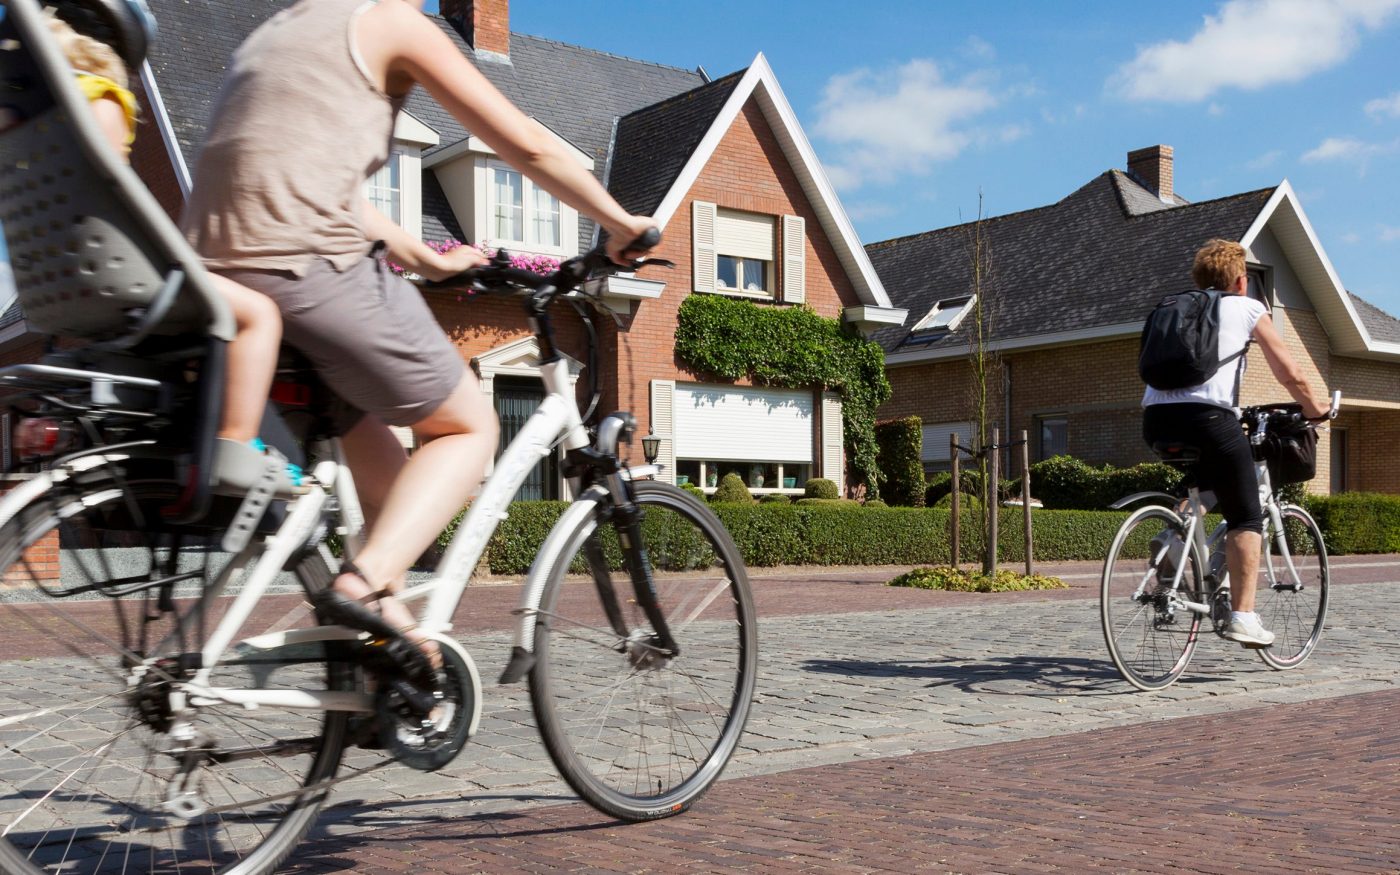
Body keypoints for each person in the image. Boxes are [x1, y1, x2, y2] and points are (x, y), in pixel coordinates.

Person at [179, 0, 657, 669]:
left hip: (218, 284)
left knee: (383, 469)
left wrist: (427, 257)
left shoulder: (273, 34)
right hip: (311, 266)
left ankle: (383, 645)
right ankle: (362, 586)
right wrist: (617, 222)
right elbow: (526, 142)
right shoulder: (389, 23)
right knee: (467, 427)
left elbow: (325, 186)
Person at [42, 1, 297, 489]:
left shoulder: (34, 115)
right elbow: (107, 191)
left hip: (53, 284)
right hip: (113, 268)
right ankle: (237, 446)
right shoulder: (102, 96)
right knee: (259, 314)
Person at [1142, 239, 1329, 646]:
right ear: (1242, 281)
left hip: (1156, 420)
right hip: (1209, 418)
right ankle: (1243, 616)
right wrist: (1317, 409)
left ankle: (1176, 536)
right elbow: (1290, 372)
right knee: (1246, 516)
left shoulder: (1169, 308)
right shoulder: (1247, 307)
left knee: (1206, 482)